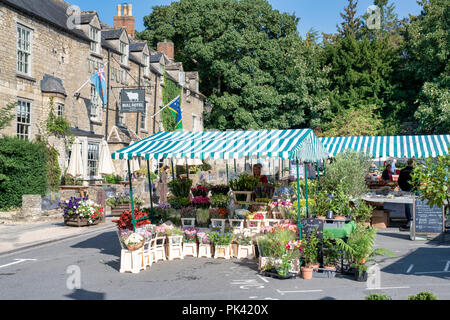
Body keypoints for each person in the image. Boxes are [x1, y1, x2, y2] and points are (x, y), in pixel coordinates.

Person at [398, 159, 415, 230]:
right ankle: (416, 219)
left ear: (407, 163)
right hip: (414, 190)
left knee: (407, 205)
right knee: (416, 204)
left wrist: (403, 188)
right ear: (413, 163)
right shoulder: (415, 171)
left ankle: (409, 219)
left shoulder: (403, 170)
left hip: (405, 190)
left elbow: (399, 181)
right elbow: (418, 181)